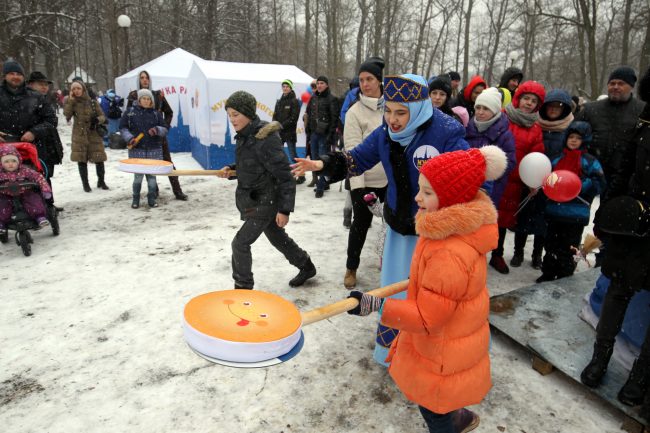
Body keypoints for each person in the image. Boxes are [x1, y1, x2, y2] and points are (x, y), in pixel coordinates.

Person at [291, 74, 470, 366]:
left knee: (426, 298)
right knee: (394, 292)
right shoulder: (386, 133)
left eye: (401, 113)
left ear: (420, 108)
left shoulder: (447, 133)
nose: (393, 119)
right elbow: (357, 158)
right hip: (399, 228)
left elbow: (469, 180)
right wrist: (322, 163)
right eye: (388, 110)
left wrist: (451, 221)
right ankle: (392, 352)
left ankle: (421, 356)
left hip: (434, 234)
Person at [346, 145, 507, 433]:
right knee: (439, 397)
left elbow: (427, 318)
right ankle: (456, 417)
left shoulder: (449, 251)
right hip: (451, 340)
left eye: (428, 193)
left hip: (442, 348)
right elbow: (442, 291)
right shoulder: (451, 230)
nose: (418, 197)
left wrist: (376, 306)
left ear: (452, 199)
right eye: (420, 188)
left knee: (433, 403)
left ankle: (451, 424)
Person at [580, 67, 650, 408]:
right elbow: (624, 171)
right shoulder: (644, 122)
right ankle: (600, 358)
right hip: (632, 225)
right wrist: (605, 216)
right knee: (618, 290)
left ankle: (640, 376)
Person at [217, 91, 316, 290]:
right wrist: (232, 170)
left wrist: (284, 209)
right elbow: (253, 166)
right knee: (277, 237)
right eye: (229, 115)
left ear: (248, 113)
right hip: (257, 199)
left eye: (236, 114)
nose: (232, 119)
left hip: (265, 201)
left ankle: (243, 288)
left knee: (240, 243)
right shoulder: (245, 136)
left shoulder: (265, 138)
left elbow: (284, 176)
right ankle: (306, 266)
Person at [538, 121, 605, 283]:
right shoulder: (556, 159)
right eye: (571, 137)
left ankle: (565, 273)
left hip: (576, 213)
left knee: (570, 246)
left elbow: (600, 183)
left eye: (578, 138)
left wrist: (579, 185)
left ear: (585, 140)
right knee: (551, 244)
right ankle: (548, 271)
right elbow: (547, 178)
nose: (573, 140)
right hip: (554, 210)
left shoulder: (589, 161)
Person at [342, 56, 388, 289]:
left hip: (391, 180)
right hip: (365, 181)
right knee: (360, 225)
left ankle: (387, 261)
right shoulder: (354, 112)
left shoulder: (392, 108)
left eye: (369, 79)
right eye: (361, 80)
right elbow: (351, 151)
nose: (365, 84)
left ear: (379, 81)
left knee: (392, 225)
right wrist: (358, 187)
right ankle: (351, 266)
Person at [491, 81, 546, 274]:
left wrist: (534, 179)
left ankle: (497, 254)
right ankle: (478, 252)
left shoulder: (536, 129)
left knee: (503, 220)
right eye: (526, 98)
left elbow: (536, 155)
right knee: (485, 217)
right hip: (494, 175)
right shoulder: (503, 118)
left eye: (533, 101)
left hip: (515, 181)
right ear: (518, 99)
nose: (529, 103)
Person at [127, 70, 188, 201]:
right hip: (141, 140)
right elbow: (128, 117)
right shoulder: (133, 96)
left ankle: (177, 191)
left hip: (158, 138)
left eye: (146, 78)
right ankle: (153, 192)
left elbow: (169, 112)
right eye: (142, 78)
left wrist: (163, 128)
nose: (144, 80)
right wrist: (133, 136)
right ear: (138, 80)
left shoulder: (158, 95)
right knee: (148, 167)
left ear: (149, 80)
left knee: (168, 163)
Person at [465, 87, 516, 207]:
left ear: (495, 111)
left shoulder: (504, 135)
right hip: (468, 184)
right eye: (478, 107)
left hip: (492, 186)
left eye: (486, 108)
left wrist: (489, 170)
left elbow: (510, 162)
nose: (480, 112)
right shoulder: (468, 129)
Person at [120, 89, 168, 209]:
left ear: (151, 101)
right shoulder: (130, 113)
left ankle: (151, 198)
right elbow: (123, 128)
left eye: (148, 99)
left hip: (154, 151)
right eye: (144, 98)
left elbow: (165, 129)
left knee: (152, 179)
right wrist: (130, 138)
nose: (146, 101)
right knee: (138, 178)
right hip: (137, 151)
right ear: (139, 100)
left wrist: (157, 130)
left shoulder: (156, 114)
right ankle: (135, 198)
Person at [64, 80, 109, 192]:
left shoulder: (93, 102)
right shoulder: (72, 102)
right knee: (81, 159)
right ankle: (85, 184)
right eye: (73, 89)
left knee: (99, 158)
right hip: (79, 135)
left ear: (83, 89)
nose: (76, 91)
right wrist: (70, 100)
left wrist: (97, 120)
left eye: (78, 88)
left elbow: (103, 116)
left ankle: (101, 181)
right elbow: (67, 115)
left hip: (93, 134)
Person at [0, 144, 52, 233]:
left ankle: (39, 216)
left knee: (33, 199)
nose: (10, 164)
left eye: (13, 161)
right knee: (2, 205)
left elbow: (39, 177)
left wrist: (45, 189)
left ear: (18, 161)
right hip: (6, 194)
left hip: (25, 191)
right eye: (7, 161)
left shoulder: (25, 170)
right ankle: (1, 223)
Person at [26, 71, 64, 192]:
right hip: (34, 144)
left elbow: (51, 121)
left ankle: (49, 202)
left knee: (47, 175)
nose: (44, 87)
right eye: (40, 84)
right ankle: (42, 204)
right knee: (37, 176)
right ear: (31, 84)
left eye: (46, 85)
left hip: (48, 144)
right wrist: (36, 132)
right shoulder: (27, 100)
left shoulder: (46, 99)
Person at [304, 75, 338, 197]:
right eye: (318, 83)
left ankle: (320, 186)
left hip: (325, 135)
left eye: (322, 83)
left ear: (327, 85)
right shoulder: (313, 98)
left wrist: (331, 135)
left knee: (322, 160)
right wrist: (308, 130)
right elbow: (308, 115)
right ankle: (323, 182)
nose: (319, 85)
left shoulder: (332, 99)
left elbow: (334, 119)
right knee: (314, 159)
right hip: (314, 134)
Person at [272, 79, 304, 184]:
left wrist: (281, 125)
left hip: (289, 133)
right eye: (283, 86)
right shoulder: (279, 101)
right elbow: (275, 115)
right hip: (279, 133)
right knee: (278, 155)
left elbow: (293, 118)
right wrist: (274, 125)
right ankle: (282, 176)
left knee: (292, 155)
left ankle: (301, 175)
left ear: (291, 88)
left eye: (287, 86)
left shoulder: (294, 101)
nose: (285, 88)